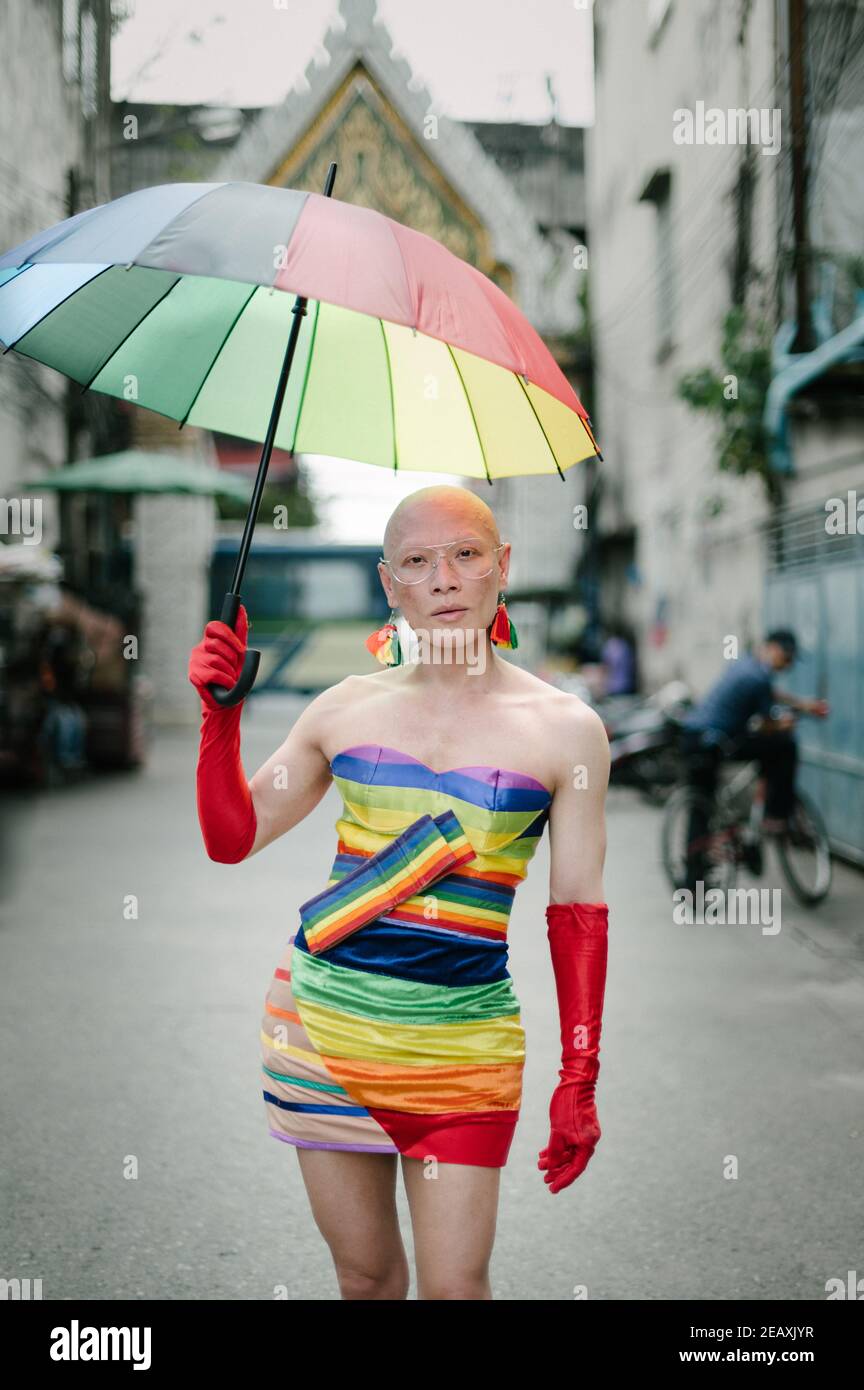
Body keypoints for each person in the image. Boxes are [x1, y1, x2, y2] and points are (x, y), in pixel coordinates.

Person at [188, 484, 611, 1301]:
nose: (444, 579)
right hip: (322, 1033)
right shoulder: (343, 709)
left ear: (502, 568)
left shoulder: (565, 728)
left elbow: (578, 910)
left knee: (455, 1288)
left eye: (466, 555)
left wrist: (580, 1074)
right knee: (367, 1280)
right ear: (390, 584)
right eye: (418, 562)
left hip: (464, 1048)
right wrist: (218, 722)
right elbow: (232, 837)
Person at [678, 630, 828, 878]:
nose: (787, 665)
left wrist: (802, 705)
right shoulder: (758, 677)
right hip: (716, 741)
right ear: (772, 649)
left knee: (700, 807)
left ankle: (692, 878)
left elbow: (771, 697)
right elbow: (768, 722)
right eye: (787, 658)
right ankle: (776, 814)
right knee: (784, 745)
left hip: (694, 737)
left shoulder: (745, 665)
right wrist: (785, 724)